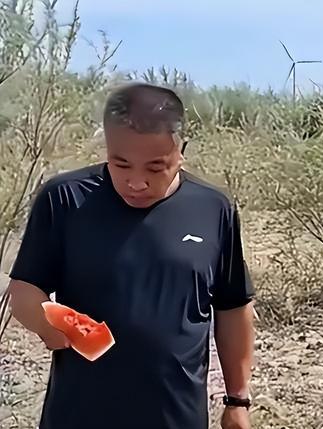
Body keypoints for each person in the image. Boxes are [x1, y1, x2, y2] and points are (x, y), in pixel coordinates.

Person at [7, 83, 255, 429]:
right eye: (121, 164)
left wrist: (237, 400)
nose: (136, 182)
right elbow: (24, 292)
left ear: (181, 151)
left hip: (176, 414)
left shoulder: (214, 208)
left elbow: (233, 307)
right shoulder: (64, 199)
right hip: (78, 414)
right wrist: (49, 322)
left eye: (155, 167)